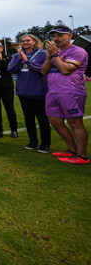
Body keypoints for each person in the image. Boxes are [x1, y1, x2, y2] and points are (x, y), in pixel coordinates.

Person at [41, 26, 89, 164]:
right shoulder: (55, 52)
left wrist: (55, 54)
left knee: (75, 122)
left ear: (70, 36)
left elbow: (66, 69)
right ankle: (72, 150)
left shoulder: (78, 51)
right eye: (54, 36)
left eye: (60, 35)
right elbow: (44, 71)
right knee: (55, 121)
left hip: (71, 91)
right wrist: (49, 56)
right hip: (53, 91)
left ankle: (82, 156)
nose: (56, 38)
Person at [7, 34, 50, 152]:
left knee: (42, 119)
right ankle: (33, 141)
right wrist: (20, 59)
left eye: (28, 40)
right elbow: (10, 70)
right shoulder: (17, 55)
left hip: (39, 92)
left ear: (34, 42)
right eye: (23, 41)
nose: (25, 42)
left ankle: (45, 143)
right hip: (23, 93)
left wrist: (28, 61)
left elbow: (44, 70)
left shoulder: (43, 54)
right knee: (29, 119)